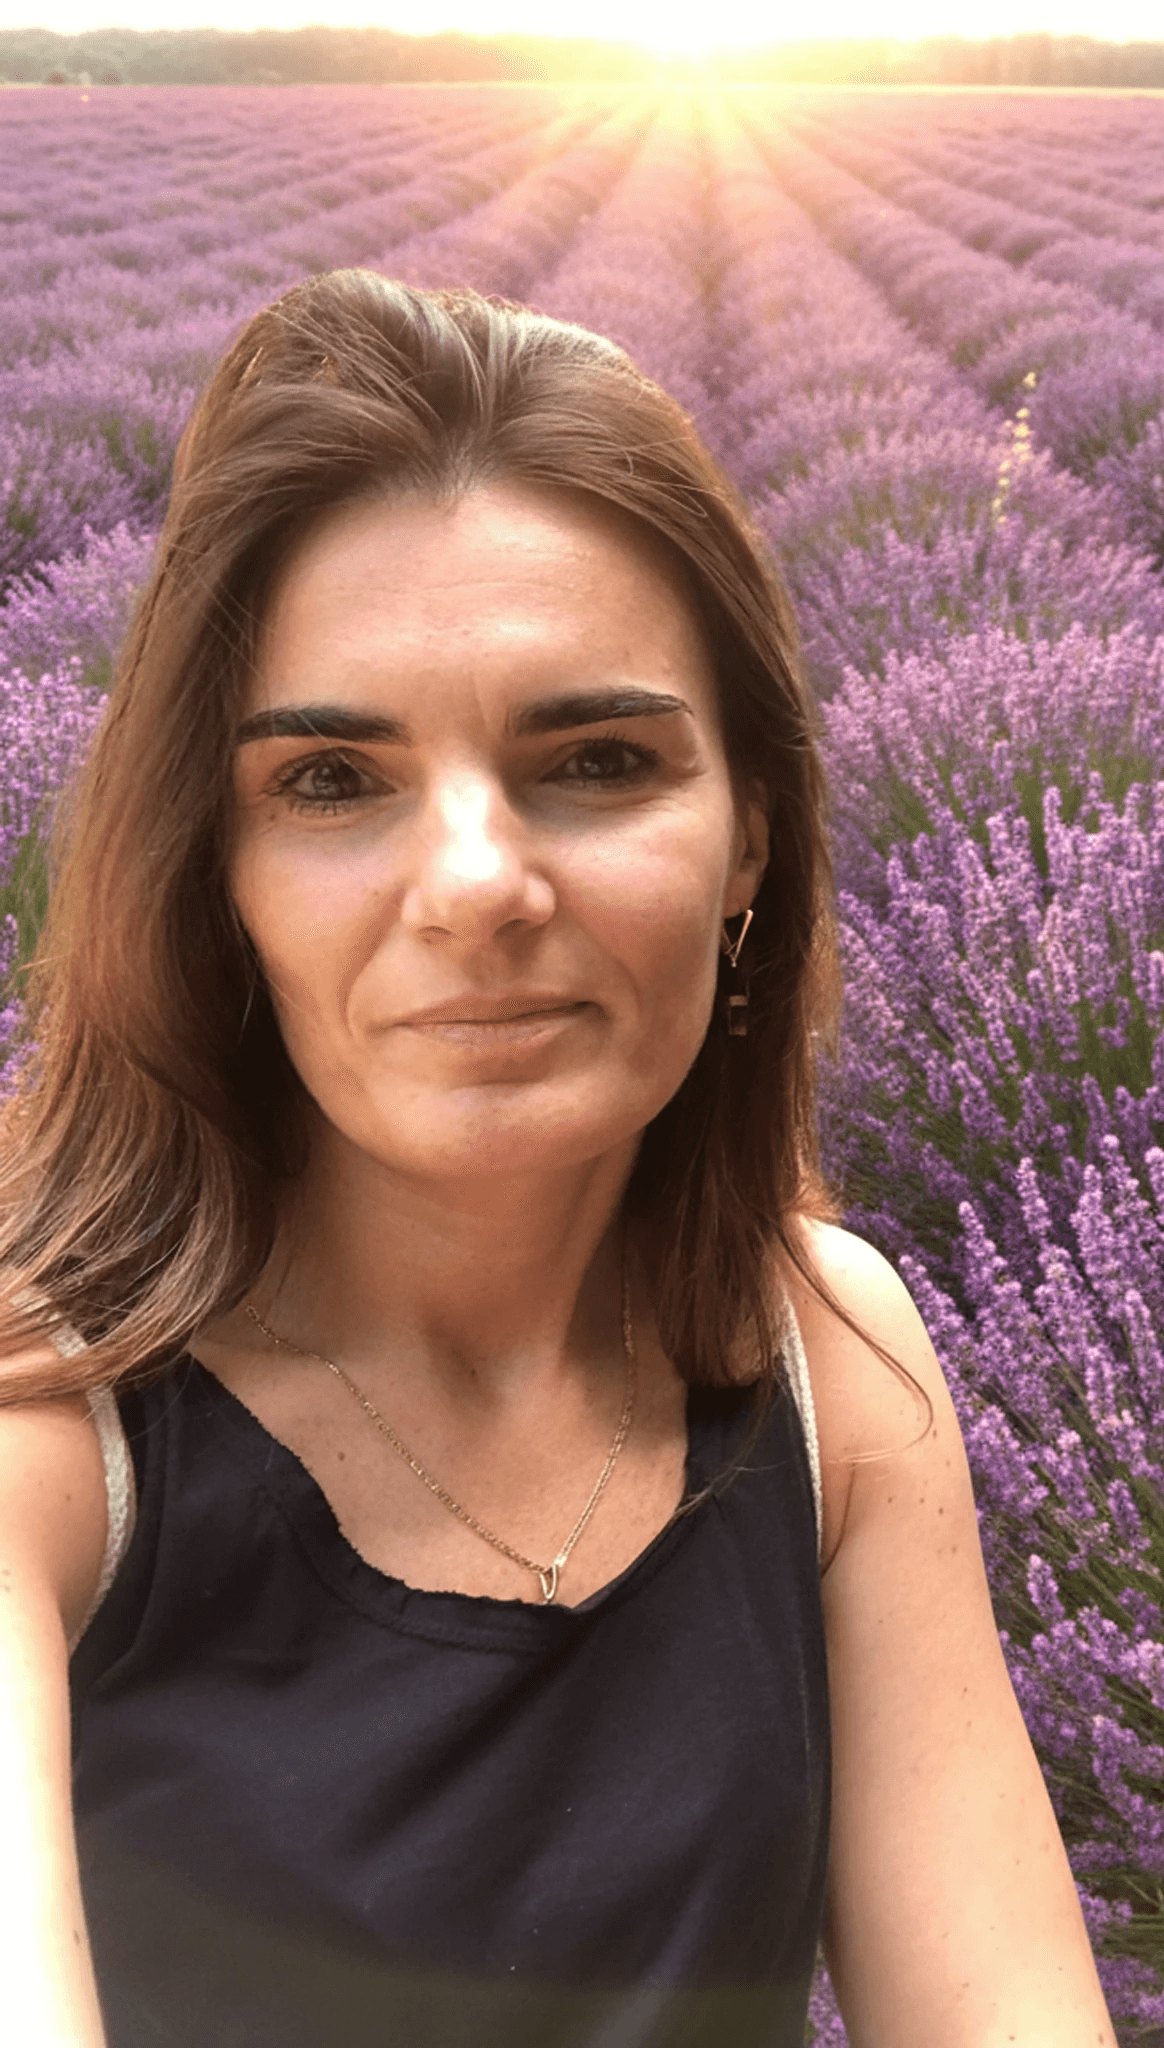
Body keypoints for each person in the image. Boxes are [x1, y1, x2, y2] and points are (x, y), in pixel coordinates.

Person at [0, 270, 1116, 2048]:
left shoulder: (828, 1359)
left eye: (596, 760)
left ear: (750, 838)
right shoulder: (47, 1428)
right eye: (331, 782)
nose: (476, 886)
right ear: (215, 868)